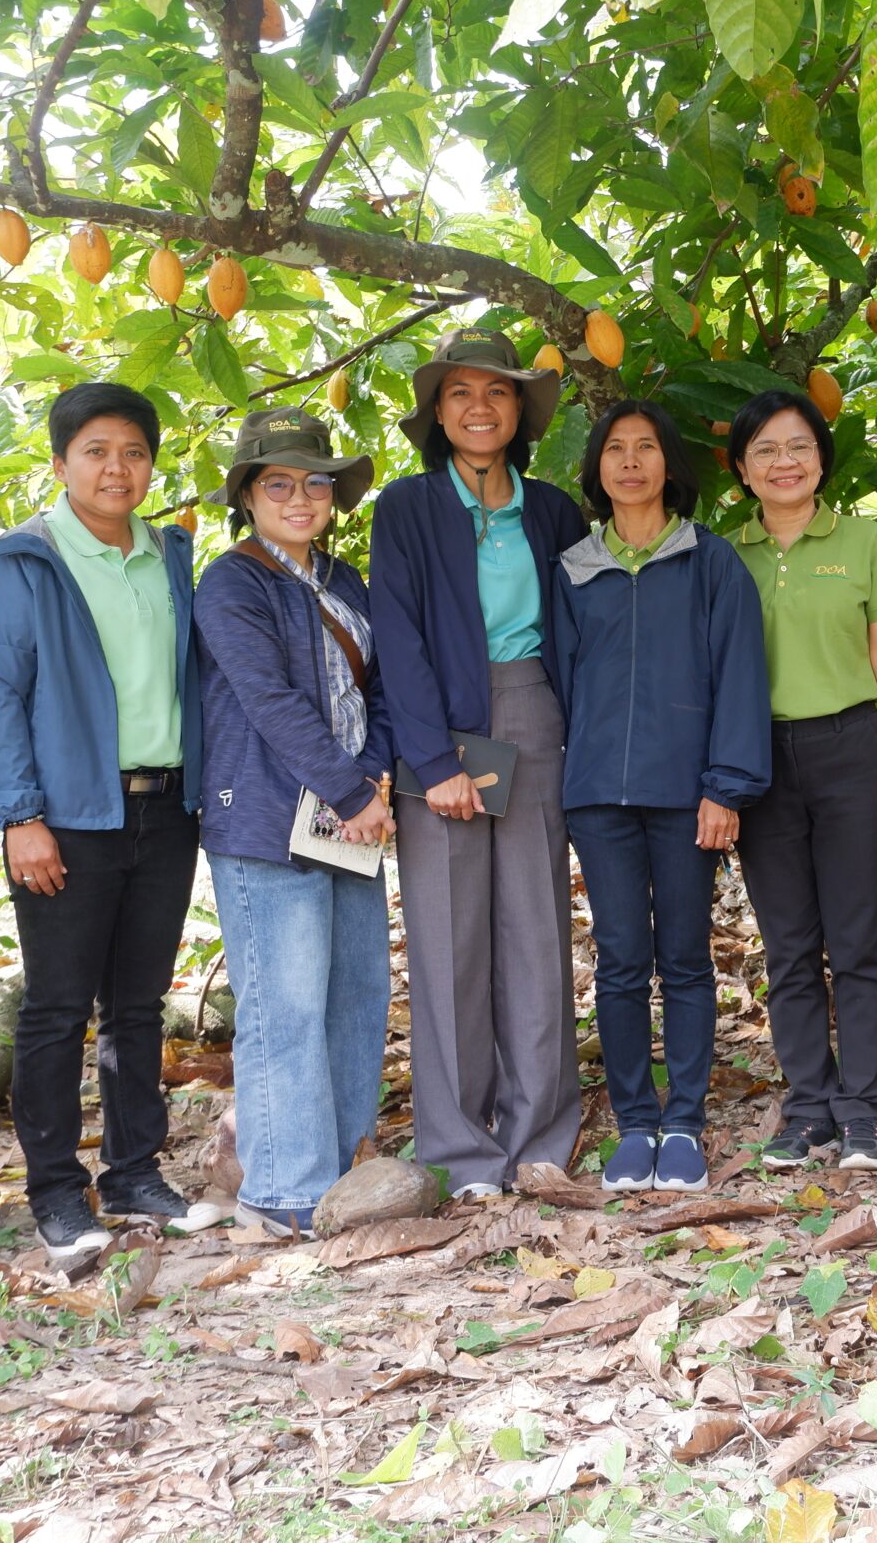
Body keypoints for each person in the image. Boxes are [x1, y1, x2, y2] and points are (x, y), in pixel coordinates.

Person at [0, 382, 204, 1266]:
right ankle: (56, 1190)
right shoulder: (26, 559)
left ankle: (134, 1171)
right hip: (67, 814)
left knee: (138, 1004)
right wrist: (20, 814)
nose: (117, 468)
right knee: (57, 1006)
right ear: (62, 459)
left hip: (164, 805)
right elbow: (1, 689)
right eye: (97, 450)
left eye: (135, 452)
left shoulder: (171, 553)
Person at [369, 327, 590, 1197]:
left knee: (537, 929)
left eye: (497, 392)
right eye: (461, 392)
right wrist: (431, 757)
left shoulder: (553, 510)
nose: (479, 407)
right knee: (447, 935)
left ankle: (540, 1138)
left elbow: (578, 633)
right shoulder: (408, 508)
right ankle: (461, 1153)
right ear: (438, 410)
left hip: (532, 713)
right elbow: (398, 636)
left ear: (519, 411)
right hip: (442, 728)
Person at [555, 401, 770, 1192]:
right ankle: (633, 1123)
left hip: (688, 797)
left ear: (669, 466)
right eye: (616, 449)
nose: (632, 461)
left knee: (683, 958)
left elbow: (740, 677)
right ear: (598, 467)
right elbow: (558, 685)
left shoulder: (710, 563)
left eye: (648, 446)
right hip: (598, 799)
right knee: (619, 960)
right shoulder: (575, 569)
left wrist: (726, 786)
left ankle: (683, 1123)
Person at [192, 407, 394, 1237]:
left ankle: (347, 1168)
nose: (301, 497)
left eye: (315, 481)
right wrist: (353, 793)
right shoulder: (232, 581)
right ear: (248, 494)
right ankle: (283, 1190)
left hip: (351, 813)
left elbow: (378, 691)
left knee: (357, 994)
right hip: (270, 817)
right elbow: (269, 700)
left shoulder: (346, 582)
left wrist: (373, 778)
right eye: (279, 483)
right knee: (285, 1005)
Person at [726, 391, 877, 1171]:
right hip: (759, 759)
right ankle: (808, 1107)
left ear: (821, 458)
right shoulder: (723, 552)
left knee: (858, 942)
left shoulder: (865, 540)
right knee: (789, 947)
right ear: (742, 469)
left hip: (851, 749)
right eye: (766, 450)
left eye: (799, 446)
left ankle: (864, 1110)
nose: (784, 462)